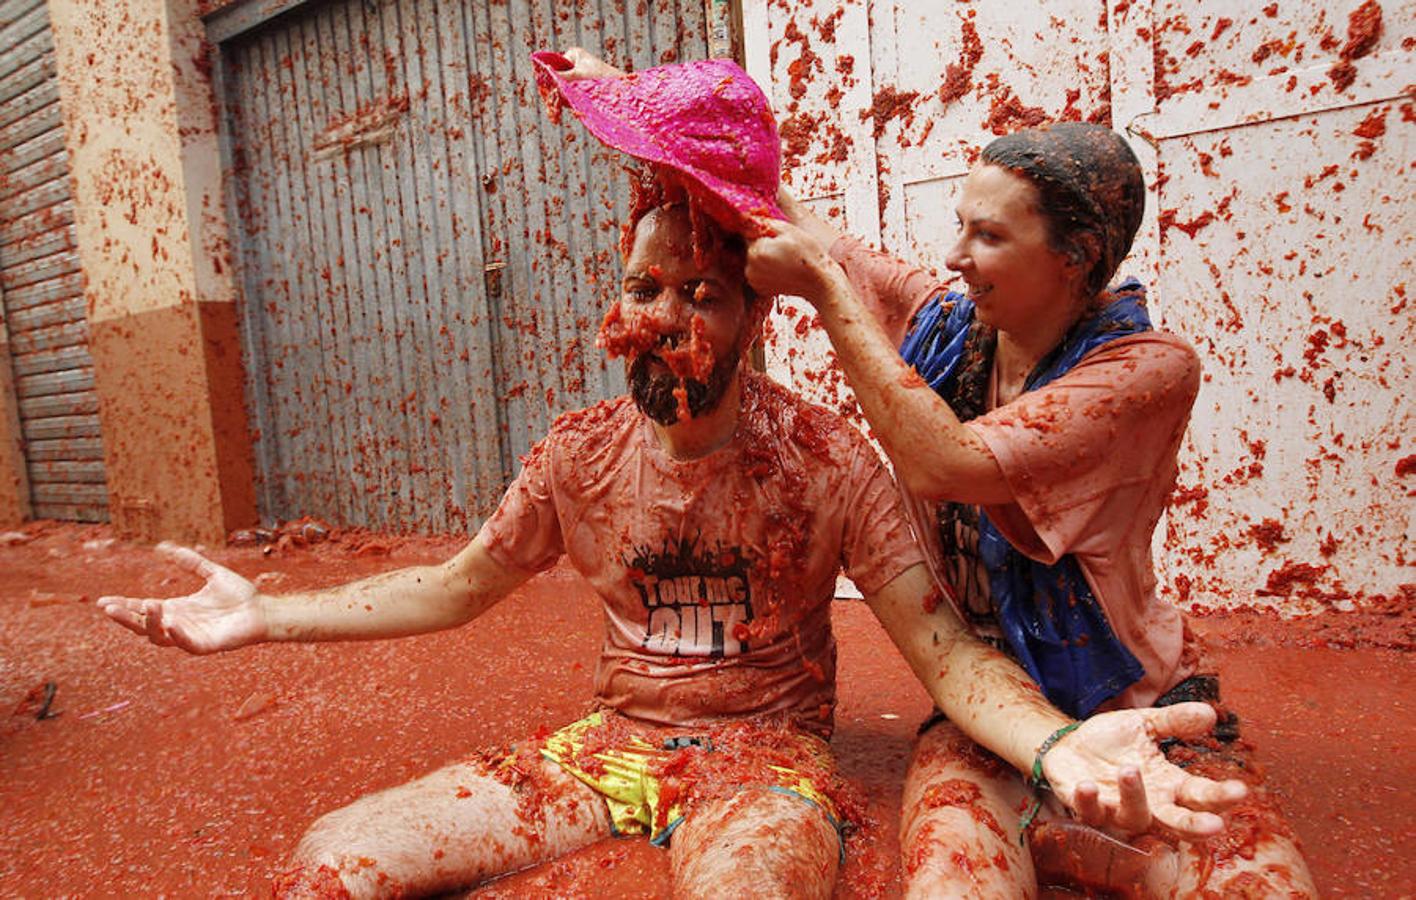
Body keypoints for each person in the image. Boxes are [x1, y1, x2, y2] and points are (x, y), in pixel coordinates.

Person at [98, 63, 1245, 899]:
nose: (668, 321)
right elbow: (452, 587)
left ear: (754, 316)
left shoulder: (829, 459)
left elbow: (944, 649)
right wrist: (260, 617)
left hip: (767, 765)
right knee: (331, 863)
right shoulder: (575, 454)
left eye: (704, 296)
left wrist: (1050, 746)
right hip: (605, 747)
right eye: (648, 292)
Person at [746, 121, 1318, 896]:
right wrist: (656, 108)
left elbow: (943, 462)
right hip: (996, 711)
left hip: (1141, 713)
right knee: (950, 879)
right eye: (960, 226)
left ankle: (1086, 836)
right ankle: (1058, 831)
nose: (954, 257)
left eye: (987, 235)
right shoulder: (950, 330)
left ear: (1075, 257)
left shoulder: (1148, 373)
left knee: (1257, 882)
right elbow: (810, 231)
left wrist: (825, 294)